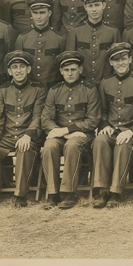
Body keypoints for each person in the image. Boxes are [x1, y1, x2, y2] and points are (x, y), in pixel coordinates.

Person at [91, 43, 133, 209]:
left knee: (123, 144)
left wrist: (132, 132)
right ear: (111, 63)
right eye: (116, 60)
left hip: (131, 131)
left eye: (123, 59)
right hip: (112, 129)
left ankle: (116, 192)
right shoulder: (105, 83)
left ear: (130, 59)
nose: (120, 63)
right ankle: (103, 190)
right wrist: (104, 124)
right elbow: (103, 110)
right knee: (100, 141)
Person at [0, 51, 47, 208]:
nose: (18, 70)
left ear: (29, 69)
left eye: (22, 67)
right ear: (9, 71)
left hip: (28, 137)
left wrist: (28, 136)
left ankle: (20, 195)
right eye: (15, 67)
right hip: (7, 136)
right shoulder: (2, 90)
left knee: (24, 149)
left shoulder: (39, 90)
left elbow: (38, 117)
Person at [40, 51, 102, 210]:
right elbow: (46, 119)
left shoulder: (90, 90)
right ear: (61, 71)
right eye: (66, 70)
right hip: (61, 133)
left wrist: (69, 130)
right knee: (49, 146)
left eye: (73, 69)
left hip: (83, 135)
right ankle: (53, 194)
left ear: (80, 70)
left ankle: (69, 193)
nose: (70, 73)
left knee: (72, 145)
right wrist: (64, 132)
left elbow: (92, 120)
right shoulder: (54, 90)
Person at [65, 0, 122, 83]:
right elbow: (70, 61)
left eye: (97, 5)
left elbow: (117, 60)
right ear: (85, 7)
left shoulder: (113, 32)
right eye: (90, 6)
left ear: (103, 5)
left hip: (106, 82)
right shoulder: (75, 31)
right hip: (82, 83)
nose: (94, 9)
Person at [13, 0, 66, 88]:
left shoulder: (60, 38)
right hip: (29, 90)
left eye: (42, 12)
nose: (38, 17)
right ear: (31, 14)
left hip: (53, 89)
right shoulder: (22, 38)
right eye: (35, 13)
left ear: (49, 13)